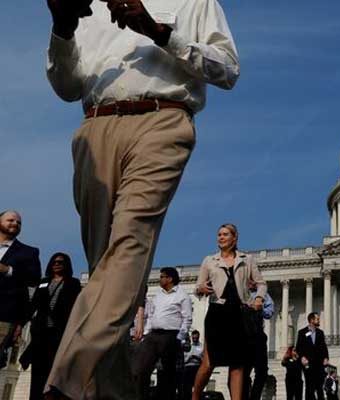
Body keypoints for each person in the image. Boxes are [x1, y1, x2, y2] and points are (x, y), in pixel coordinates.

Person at [42, 0, 240, 395]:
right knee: (106, 269)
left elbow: (227, 68)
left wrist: (159, 32)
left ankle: (69, 376)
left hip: (162, 119)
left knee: (130, 244)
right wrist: (62, 28)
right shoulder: (90, 5)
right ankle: (114, 390)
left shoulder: (194, 1)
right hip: (95, 126)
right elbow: (67, 86)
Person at [192, 224, 266, 400]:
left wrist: (258, 299)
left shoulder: (247, 259)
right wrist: (202, 287)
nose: (221, 237)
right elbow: (197, 287)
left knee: (237, 363)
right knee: (208, 362)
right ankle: (195, 396)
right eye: (219, 234)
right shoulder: (209, 260)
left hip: (239, 313)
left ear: (234, 238)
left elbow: (261, 283)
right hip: (217, 312)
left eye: (225, 234)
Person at [25, 253, 81, 400]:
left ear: (66, 265)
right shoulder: (43, 282)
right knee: (37, 371)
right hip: (40, 333)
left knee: (53, 371)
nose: (57, 264)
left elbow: (76, 308)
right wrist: (21, 324)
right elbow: (33, 305)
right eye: (54, 262)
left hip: (59, 333)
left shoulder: (73, 283)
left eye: (60, 262)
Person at [134, 267, 193, 400]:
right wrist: (147, 332)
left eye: (162, 277)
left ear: (170, 279)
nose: (159, 279)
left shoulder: (182, 296)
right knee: (140, 369)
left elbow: (187, 318)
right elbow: (152, 315)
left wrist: (179, 338)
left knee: (167, 374)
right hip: (153, 335)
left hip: (170, 336)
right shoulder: (158, 295)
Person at [0, 210, 41, 369]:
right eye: (10, 220)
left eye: (18, 222)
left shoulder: (28, 252)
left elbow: (34, 279)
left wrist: (8, 270)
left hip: (3, 316)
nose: (15, 224)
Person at [243, 279, 275, 400]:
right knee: (243, 371)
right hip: (243, 336)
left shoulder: (263, 295)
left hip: (257, 334)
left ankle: (255, 397)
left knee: (262, 371)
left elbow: (269, 312)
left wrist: (259, 308)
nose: (251, 282)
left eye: (253, 279)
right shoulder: (240, 292)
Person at [296, 312, 329, 400]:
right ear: (311, 320)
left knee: (319, 387)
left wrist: (326, 358)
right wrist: (302, 357)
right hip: (308, 364)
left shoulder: (320, 333)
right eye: (317, 319)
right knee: (309, 386)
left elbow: (324, 347)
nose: (319, 321)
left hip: (319, 364)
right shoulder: (302, 332)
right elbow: (298, 347)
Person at [182, 330, 204, 399]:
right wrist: (189, 358)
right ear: (191, 337)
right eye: (193, 338)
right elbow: (184, 360)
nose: (194, 339)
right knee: (186, 388)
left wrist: (197, 358)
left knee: (197, 386)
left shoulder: (202, 347)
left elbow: (204, 360)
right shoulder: (188, 347)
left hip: (197, 367)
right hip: (187, 368)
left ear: (198, 337)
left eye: (196, 338)